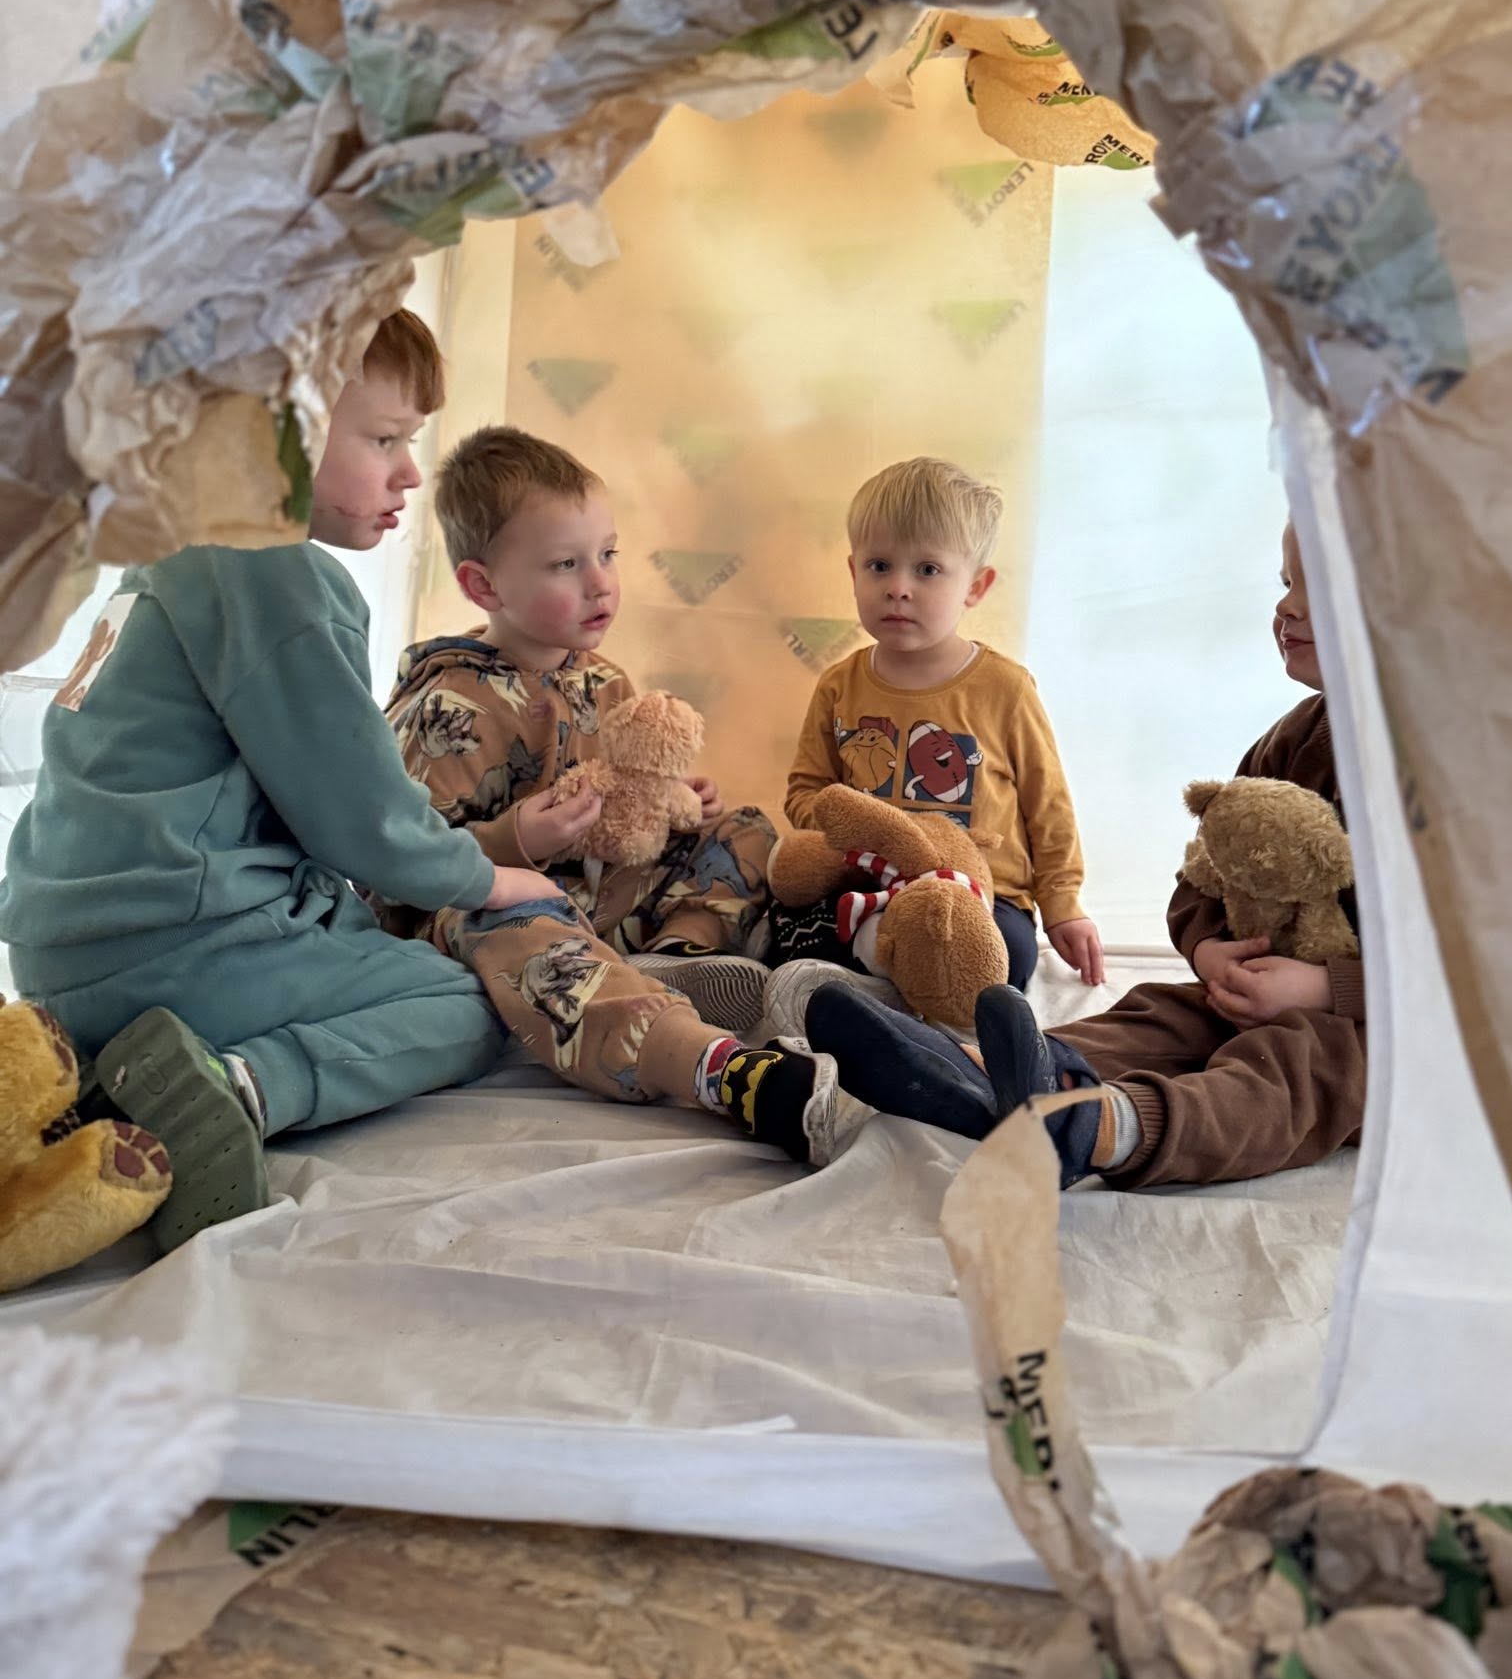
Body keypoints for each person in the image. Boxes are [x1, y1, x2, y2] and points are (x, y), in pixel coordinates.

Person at [0, 312, 546, 1258]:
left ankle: (97, 1077)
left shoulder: (163, 556)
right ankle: (236, 1087)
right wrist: (487, 878)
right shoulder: (276, 571)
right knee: (463, 1006)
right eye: (384, 440)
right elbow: (361, 816)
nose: (409, 475)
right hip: (176, 951)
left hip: (58, 962)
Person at [810, 522, 1368, 1192]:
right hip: (1265, 985)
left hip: (1385, 1027)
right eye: (1286, 582)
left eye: (1318, 588)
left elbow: (1465, 973)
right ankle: (981, 1073)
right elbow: (1205, 876)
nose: (1286, 606)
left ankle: (1103, 1127)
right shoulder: (1292, 740)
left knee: (1297, 1065)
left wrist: (1325, 989)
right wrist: (1210, 952)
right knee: (1163, 1013)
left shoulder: (1445, 787)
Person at [385, 426, 868, 1165]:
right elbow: (398, 872)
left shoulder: (601, 679)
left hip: (596, 896)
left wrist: (676, 802)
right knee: (512, 918)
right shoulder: (449, 707)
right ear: (484, 587)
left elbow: (627, 801)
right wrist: (515, 842)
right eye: (566, 564)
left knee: (742, 827)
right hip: (485, 919)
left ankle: (680, 956)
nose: (600, 582)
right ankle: (707, 1064)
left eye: (607, 554)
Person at [778, 456, 1103, 990]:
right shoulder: (839, 685)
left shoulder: (1005, 689)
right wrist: (855, 828)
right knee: (788, 926)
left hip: (981, 895)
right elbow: (804, 791)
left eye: (927, 570)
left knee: (1003, 959)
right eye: (879, 566)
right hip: (870, 884)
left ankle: (884, 983)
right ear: (854, 571)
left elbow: (1048, 804)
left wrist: (1063, 904)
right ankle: (876, 979)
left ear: (975, 586)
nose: (898, 587)